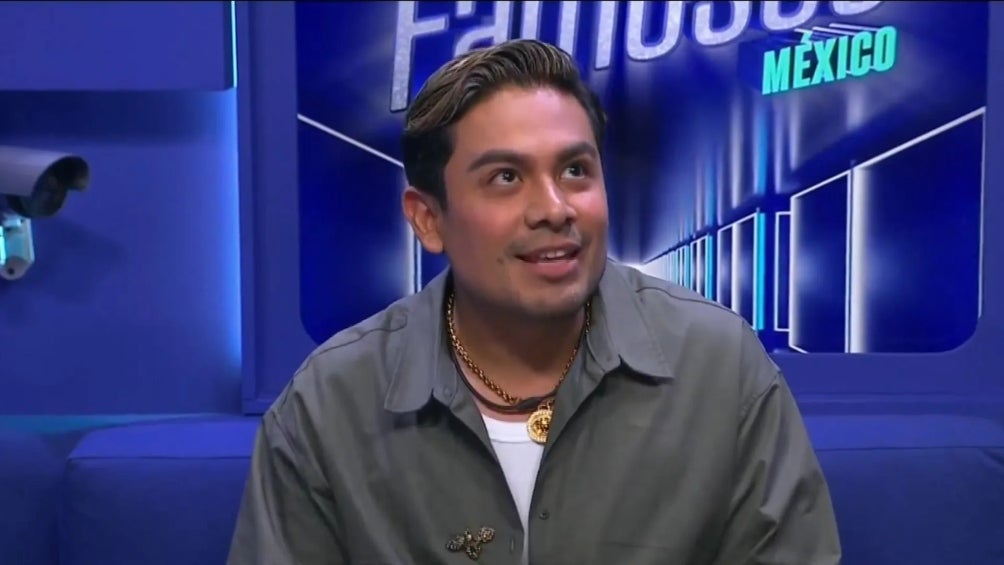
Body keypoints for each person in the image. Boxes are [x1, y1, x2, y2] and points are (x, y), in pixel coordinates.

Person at [227, 39, 841, 565]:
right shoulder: (329, 406)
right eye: (506, 178)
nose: (554, 208)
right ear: (428, 219)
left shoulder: (721, 368)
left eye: (575, 170)